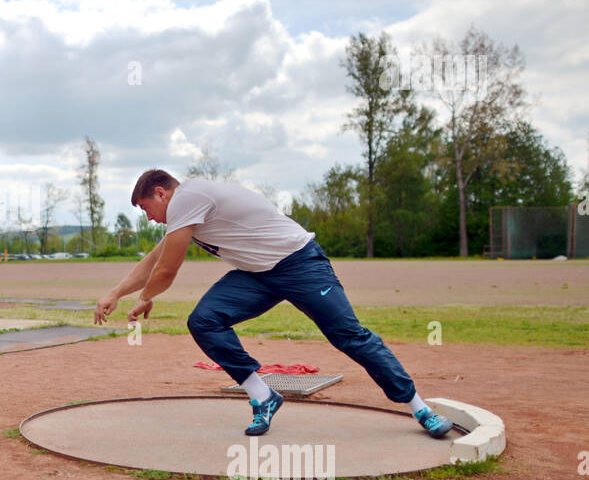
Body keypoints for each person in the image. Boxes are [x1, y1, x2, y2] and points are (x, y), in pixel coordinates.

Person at [93, 168, 453, 438]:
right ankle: (262, 396)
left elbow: (168, 270)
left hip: (299, 263)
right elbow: (155, 260)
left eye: (145, 207)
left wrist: (144, 300)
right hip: (257, 275)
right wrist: (115, 293)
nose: (148, 216)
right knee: (205, 320)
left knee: (349, 335)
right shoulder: (184, 212)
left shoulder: (188, 197)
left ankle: (420, 409)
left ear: (162, 192)